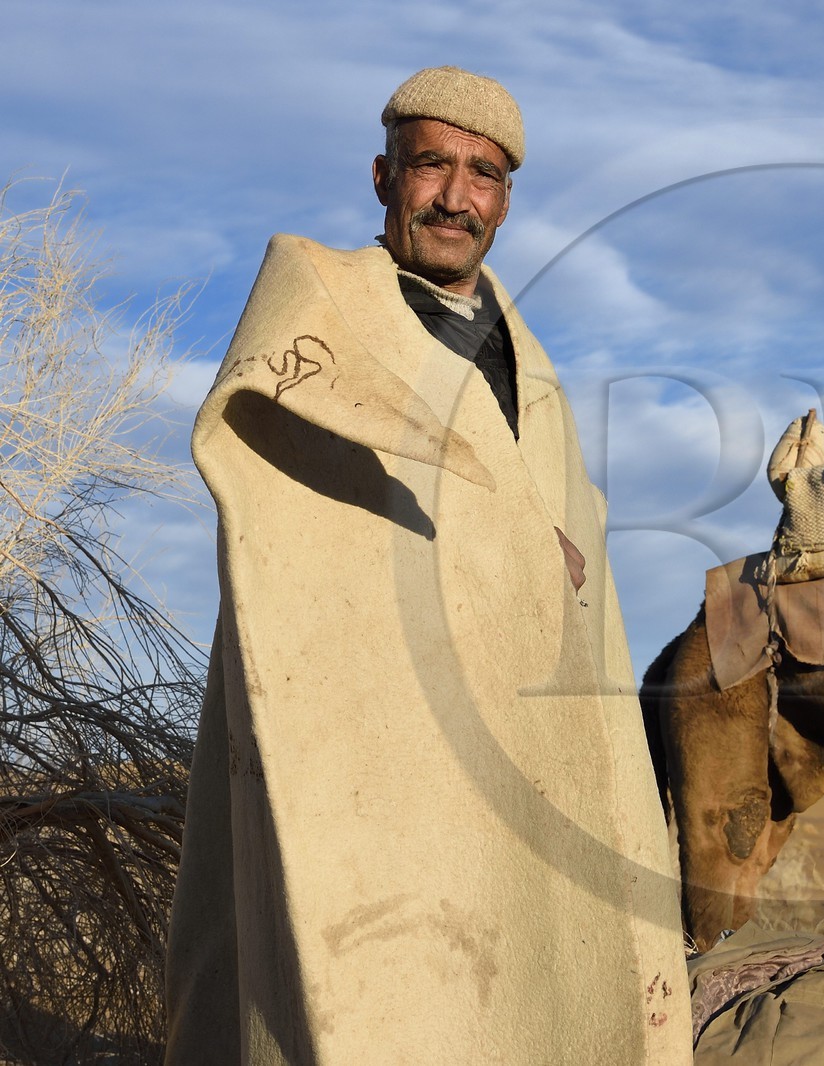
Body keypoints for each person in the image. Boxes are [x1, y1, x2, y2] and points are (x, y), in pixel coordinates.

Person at [164, 67, 692, 1064]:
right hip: (364, 740)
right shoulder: (325, 325)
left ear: (505, 199)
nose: (456, 196)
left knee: (525, 988)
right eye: (432, 165)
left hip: (518, 748)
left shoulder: (533, 377)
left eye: (483, 175)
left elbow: (562, 568)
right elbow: (293, 517)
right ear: (383, 176)